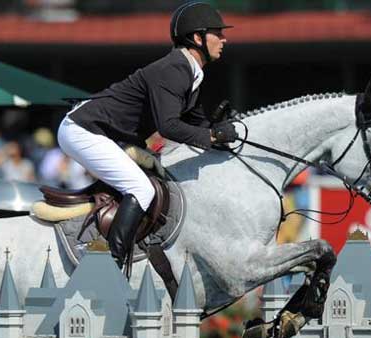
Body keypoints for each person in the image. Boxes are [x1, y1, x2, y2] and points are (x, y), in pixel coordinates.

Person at [57, 2, 238, 266]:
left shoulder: (191, 72)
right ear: (197, 38)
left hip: (102, 132)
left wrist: (219, 131)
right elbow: (169, 127)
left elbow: (198, 123)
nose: (224, 38)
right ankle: (108, 263)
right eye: (217, 33)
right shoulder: (174, 69)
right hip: (84, 130)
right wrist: (212, 136)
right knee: (141, 189)